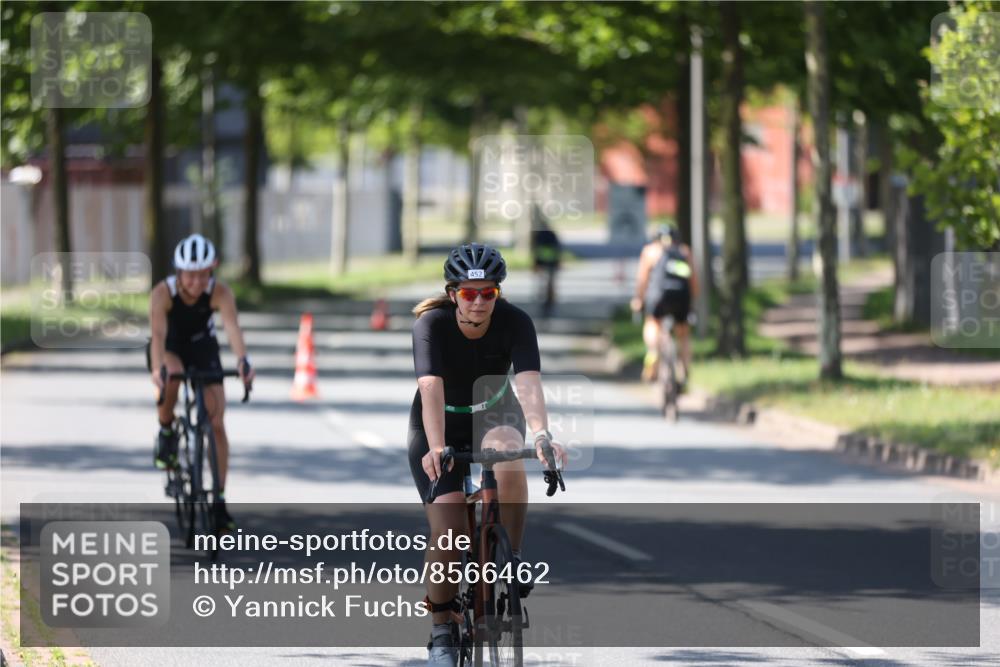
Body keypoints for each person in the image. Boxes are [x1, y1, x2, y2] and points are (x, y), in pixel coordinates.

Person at [409, 243, 565, 667]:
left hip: (494, 409)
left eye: (487, 293)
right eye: (468, 293)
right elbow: (430, 388)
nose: (478, 302)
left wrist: (542, 434)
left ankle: (508, 560)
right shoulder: (431, 324)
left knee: (510, 460)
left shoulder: (516, 322)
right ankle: (441, 628)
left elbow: (529, 381)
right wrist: (439, 446)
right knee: (449, 533)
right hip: (439, 421)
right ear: (452, 292)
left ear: (498, 293)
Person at [148, 233, 254, 531]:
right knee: (171, 378)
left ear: (213, 268)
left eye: (203, 275)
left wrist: (243, 361)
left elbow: (232, 328)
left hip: (202, 346)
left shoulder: (220, 292)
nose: (196, 282)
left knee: (217, 419)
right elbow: (156, 336)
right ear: (178, 272)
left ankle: (219, 500)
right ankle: (167, 430)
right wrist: (157, 369)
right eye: (190, 275)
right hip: (169, 346)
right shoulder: (162, 294)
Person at [630, 225, 698, 385]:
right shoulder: (684, 251)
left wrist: (638, 299)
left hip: (658, 297)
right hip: (682, 297)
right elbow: (694, 281)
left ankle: (653, 352)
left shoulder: (650, 251)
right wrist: (692, 301)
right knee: (683, 333)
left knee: (652, 323)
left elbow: (642, 279)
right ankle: (685, 367)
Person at [530, 205, 562, 319]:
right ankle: (550, 301)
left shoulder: (538, 235)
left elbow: (535, 250)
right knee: (549, 284)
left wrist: (535, 263)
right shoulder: (552, 234)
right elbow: (558, 249)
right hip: (551, 262)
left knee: (544, 284)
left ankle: (547, 301)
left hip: (544, 263)